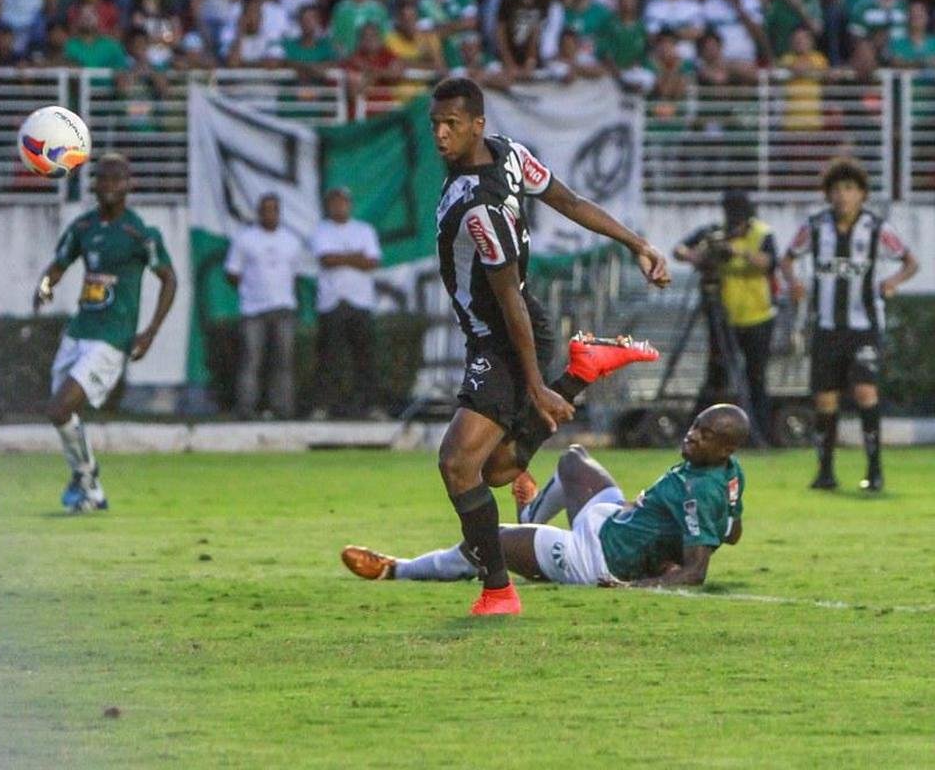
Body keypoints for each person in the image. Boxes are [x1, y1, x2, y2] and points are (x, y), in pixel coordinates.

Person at [426, 76, 669, 615]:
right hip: (497, 336)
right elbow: (569, 200)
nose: (441, 136)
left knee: (456, 465)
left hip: (505, 339)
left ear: (477, 126)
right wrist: (636, 243)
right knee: (495, 471)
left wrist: (534, 385)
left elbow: (509, 298)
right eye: (436, 125)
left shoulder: (482, 208)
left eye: (452, 126)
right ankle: (583, 369)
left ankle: (497, 591)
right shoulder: (509, 155)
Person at [342, 404, 748, 588]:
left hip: (596, 558)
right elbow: (731, 532)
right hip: (615, 522)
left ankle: (398, 570)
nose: (691, 435)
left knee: (490, 541)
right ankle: (533, 511)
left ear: (725, 448)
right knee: (574, 460)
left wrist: (637, 585)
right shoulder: (727, 472)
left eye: (705, 435)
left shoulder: (702, 492)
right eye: (695, 426)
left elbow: (696, 571)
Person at [32, 155, 178, 512]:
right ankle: (90, 487)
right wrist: (46, 285)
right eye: (103, 178)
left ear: (130, 185)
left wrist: (150, 333)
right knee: (62, 415)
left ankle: (86, 475)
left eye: (117, 178)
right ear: (94, 184)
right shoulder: (83, 228)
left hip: (112, 338)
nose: (109, 184)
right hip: (79, 331)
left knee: (59, 408)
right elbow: (59, 264)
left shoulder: (140, 234)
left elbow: (169, 279)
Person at [780, 159, 918, 492]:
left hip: (864, 327)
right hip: (827, 327)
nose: (843, 196)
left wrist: (892, 282)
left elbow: (911, 262)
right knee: (826, 401)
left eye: (850, 189)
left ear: (862, 194)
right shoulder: (815, 226)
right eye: (837, 190)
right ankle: (825, 472)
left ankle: (875, 471)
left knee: (865, 391)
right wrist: (793, 282)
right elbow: (787, 259)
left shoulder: (877, 228)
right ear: (828, 194)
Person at [672, 190, 778, 444]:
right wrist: (696, 255)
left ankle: (758, 434)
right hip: (722, 315)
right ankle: (705, 432)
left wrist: (738, 252)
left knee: (756, 377)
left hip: (757, 316)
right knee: (717, 374)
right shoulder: (715, 231)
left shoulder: (761, 234)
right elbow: (679, 250)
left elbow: (769, 262)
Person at [224, 193, 306, 420]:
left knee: (284, 362)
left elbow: (296, 275)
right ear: (259, 212)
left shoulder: (291, 240)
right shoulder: (245, 239)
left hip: (283, 308)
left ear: (279, 212)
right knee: (251, 360)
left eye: (274, 209)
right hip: (253, 310)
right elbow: (232, 273)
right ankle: (247, 409)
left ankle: (283, 409)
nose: (270, 213)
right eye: (265, 209)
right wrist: (250, 290)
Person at [309, 188, 384, 421]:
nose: (339, 206)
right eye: (334, 202)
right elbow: (326, 259)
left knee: (365, 359)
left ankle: (369, 406)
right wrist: (355, 257)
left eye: (343, 202)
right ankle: (323, 407)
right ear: (328, 205)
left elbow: (371, 262)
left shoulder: (364, 230)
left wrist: (342, 258)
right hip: (332, 302)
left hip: (360, 301)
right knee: (329, 358)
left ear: (349, 205)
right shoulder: (321, 230)